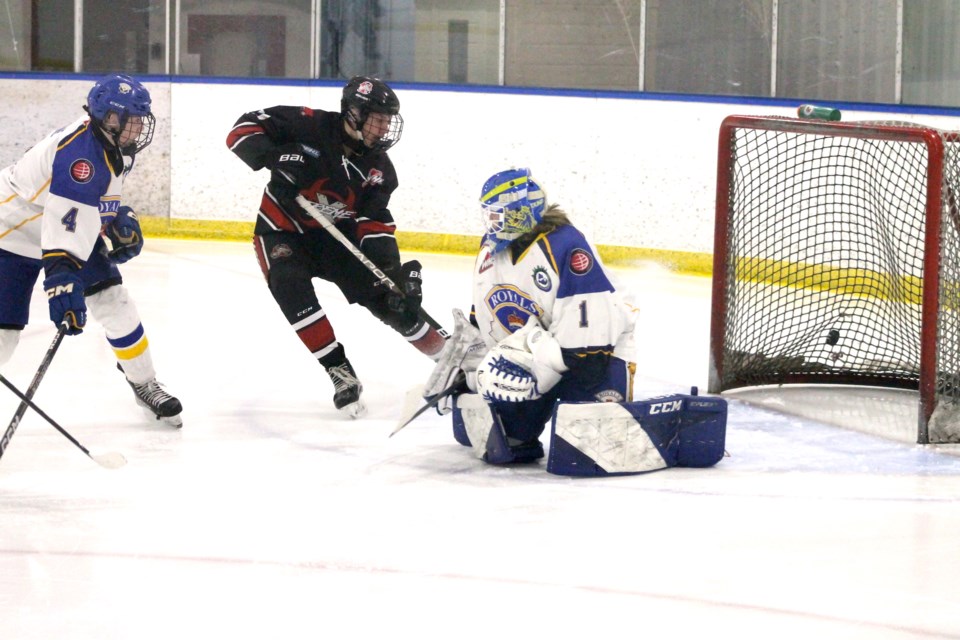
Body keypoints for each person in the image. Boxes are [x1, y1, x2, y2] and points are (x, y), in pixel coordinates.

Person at [226, 76, 446, 418]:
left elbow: (374, 223)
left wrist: (391, 272)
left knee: (390, 299)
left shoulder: (380, 170)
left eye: (389, 120)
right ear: (354, 112)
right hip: (282, 229)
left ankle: (449, 355)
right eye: (379, 118)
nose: (385, 127)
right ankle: (340, 373)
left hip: (335, 238)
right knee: (288, 284)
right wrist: (276, 156)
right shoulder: (308, 124)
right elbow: (241, 130)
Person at [0, 74, 183, 427]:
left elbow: (85, 206)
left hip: (62, 226)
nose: (139, 129)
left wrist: (115, 219)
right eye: (132, 120)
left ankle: (144, 383)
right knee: (4, 338)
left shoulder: (114, 144)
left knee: (114, 301)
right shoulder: (80, 157)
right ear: (110, 119)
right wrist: (63, 282)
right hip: (12, 230)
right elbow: (64, 225)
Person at [423, 168, 638, 464]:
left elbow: (591, 339)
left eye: (499, 215)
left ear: (519, 213)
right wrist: (470, 369)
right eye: (489, 215)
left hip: (597, 357)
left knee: (588, 455)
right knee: (505, 447)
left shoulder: (566, 246)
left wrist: (537, 374)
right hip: (537, 354)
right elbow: (483, 316)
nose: (492, 223)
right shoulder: (489, 249)